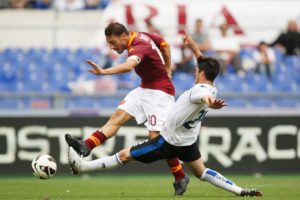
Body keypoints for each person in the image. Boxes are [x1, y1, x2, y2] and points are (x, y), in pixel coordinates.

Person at [67, 31, 263, 197]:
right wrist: (193, 47)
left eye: (197, 69)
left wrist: (211, 104)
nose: (195, 70)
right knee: (202, 172)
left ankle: (84, 167)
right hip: (188, 142)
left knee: (125, 155)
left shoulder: (199, 91)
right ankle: (239, 190)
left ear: (200, 73)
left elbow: (204, 97)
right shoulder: (213, 87)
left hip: (168, 141)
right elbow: (199, 64)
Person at [65, 22, 189, 195]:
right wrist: (168, 69)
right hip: (145, 89)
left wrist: (103, 72)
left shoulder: (140, 45)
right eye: (109, 43)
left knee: (157, 139)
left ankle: (180, 175)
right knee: (117, 116)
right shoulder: (142, 35)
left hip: (160, 94)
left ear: (124, 36)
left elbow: (129, 66)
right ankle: (87, 145)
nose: (111, 47)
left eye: (113, 42)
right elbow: (165, 45)